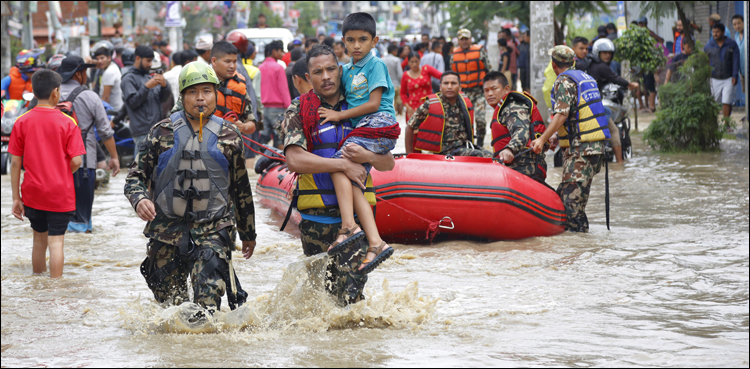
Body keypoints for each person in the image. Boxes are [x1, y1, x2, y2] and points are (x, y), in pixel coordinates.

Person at [125, 61, 255, 315]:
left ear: (215, 94)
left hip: (213, 230)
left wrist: (248, 233)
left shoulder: (230, 135)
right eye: (193, 92)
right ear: (182, 97)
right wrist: (139, 199)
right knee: (172, 312)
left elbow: (241, 187)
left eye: (207, 91)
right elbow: (135, 177)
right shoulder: (160, 133)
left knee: (207, 309)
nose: (200, 99)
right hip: (166, 232)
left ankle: (206, 354)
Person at [280, 45, 395, 304]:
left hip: (359, 217)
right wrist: (342, 165)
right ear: (308, 78)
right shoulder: (298, 111)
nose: (326, 76)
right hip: (316, 219)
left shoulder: (360, 107)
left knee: (350, 299)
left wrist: (367, 157)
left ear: (340, 70)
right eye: (318, 72)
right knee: (319, 298)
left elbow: (388, 164)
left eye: (331, 69)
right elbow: (295, 160)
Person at [315, 13, 400, 274]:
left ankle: (348, 226)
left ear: (374, 41)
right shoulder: (346, 70)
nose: (357, 46)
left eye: (363, 40)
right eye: (350, 40)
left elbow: (374, 104)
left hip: (379, 122)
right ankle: (375, 242)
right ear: (342, 42)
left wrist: (339, 116)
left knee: (338, 162)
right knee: (350, 176)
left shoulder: (376, 65)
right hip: (364, 128)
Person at [9, 69, 86, 278]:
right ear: (56, 92)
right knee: (56, 241)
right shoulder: (68, 122)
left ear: (34, 93)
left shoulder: (21, 121)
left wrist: (16, 198)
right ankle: (56, 289)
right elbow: (77, 160)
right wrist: (61, 172)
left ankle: (38, 287)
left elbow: (15, 163)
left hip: (33, 193)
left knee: (39, 241)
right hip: (60, 193)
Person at [531, 46, 610, 233]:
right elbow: (578, 115)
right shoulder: (585, 78)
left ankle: (576, 249)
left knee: (570, 205)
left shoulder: (563, 82)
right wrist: (558, 136)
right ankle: (582, 244)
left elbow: (561, 115)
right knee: (576, 201)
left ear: (553, 64)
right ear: (573, 61)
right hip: (594, 148)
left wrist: (542, 139)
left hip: (581, 150)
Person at [55, 56, 121, 233]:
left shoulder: (50, 94)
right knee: (82, 221)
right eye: (84, 71)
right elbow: (105, 131)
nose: (86, 75)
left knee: (57, 221)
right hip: (84, 163)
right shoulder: (91, 97)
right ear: (78, 74)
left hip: (54, 166)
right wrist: (114, 157)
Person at [406, 71, 489, 158]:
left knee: (492, 155)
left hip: (463, 147)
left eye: (453, 83)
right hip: (446, 151)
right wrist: (409, 155)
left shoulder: (463, 102)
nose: (449, 87)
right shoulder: (430, 104)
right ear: (440, 87)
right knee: (478, 155)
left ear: (460, 87)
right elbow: (410, 126)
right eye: (446, 83)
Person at [483, 71, 547, 183]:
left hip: (524, 167)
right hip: (517, 167)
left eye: (494, 89)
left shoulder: (513, 107)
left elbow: (521, 131)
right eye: (486, 91)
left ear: (506, 89)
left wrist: (509, 149)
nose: (490, 94)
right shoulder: (504, 108)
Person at [588, 38, 639, 163]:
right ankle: (619, 163)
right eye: (604, 52)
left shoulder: (588, 64)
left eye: (609, 53)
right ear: (597, 52)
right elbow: (615, 78)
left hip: (585, 103)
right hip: (594, 105)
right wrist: (630, 85)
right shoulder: (600, 67)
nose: (607, 55)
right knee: (614, 130)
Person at [122, 46, 172, 150]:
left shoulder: (148, 77)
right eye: (148, 61)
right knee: (143, 164)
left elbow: (163, 99)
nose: (150, 64)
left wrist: (164, 85)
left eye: (151, 61)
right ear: (138, 58)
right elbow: (131, 103)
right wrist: (146, 87)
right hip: (142, 131)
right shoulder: (128, 78)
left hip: (156, 129)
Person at [451, 29, 491, 147]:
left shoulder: (480, 51)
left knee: (480, 121)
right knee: (462, 122)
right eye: (462, 39)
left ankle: (480, 144)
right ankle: (466, 145)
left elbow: (488, 69)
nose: (464, 41)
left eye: (466, 39)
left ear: (471, 39)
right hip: (462, 94)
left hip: (478, 92)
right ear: (458, 40)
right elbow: (452, 75)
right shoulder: (454, 55)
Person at [209, 42, 257, 138]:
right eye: (227, 61)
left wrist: (243, 127)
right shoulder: (199, 84)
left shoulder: (240, 86)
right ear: (214, 61)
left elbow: (252, 125)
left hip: (232, 148)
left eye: (234, 62)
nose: (232, 66)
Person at [259, 40, 291, 149]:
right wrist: (289, 107)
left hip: (264, 108)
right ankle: (280, 161)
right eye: (281, 51)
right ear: (274, 51)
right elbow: (283, 89)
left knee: (264, 135)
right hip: (277, 109)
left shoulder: (260, 67)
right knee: (280, 136)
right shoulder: (278, 68)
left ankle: (262, 158)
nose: (282, 54)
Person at [705, 23, 740, 119]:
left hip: (728, 78)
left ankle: (726, 124)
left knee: (727, 100)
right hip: (713, 78)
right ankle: (713, 123)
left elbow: (736, 60)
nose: (715, 34)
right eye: (713, 32)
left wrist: (734, 75)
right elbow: (705, 61)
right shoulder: (708, 46)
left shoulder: (732, 44)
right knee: (712, 101)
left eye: (717, 32)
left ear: (723, 32)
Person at [401, 52, 443, 122]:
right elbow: (403, 93)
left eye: (416, 61)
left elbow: (441, 76)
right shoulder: (405, 75)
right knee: (413, 131)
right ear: (408, 62)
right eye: (412, 62)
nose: (414, 64)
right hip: (412, 108)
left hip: (428, 106)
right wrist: (407, 107)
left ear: (420, 61)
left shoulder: (427, 69)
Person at [93, 44, 124, 111]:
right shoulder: (113, 66)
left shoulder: (109, 72)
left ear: (109, 58)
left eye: (102, 58)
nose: (99, 61)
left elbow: (106, 98)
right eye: (97, 59)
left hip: (111, 112)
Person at [382, 44, 404, 114]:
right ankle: (400, 115)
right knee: (399, 101)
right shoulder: (396, 60)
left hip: (385, 85)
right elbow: (400, 74)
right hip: (396, 84)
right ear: (393, 51)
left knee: (388, 102)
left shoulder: (382, 60)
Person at [732, 15, 745, 96]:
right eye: (734, 24)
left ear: (744, 22)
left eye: (739, 23)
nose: (737, 26)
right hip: (742, 71)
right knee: (745, 93)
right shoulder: (736, 36)